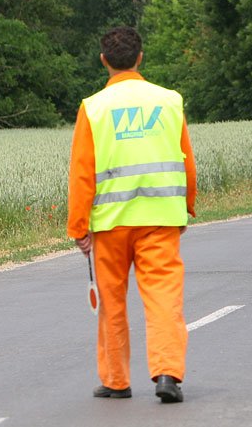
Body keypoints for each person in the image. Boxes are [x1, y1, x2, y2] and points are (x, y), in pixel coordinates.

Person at [67, 26, 197, 402]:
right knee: (163, 297)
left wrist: (78, 226)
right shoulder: (170, 100)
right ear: (140, 57)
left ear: (104, 60)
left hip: (110, 223)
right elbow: (185, 159)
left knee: (112, 301)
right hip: (160, 218)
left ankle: (116, 380)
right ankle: (167, 374)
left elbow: (81, 173)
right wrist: (186, 205)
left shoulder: (93, 107)